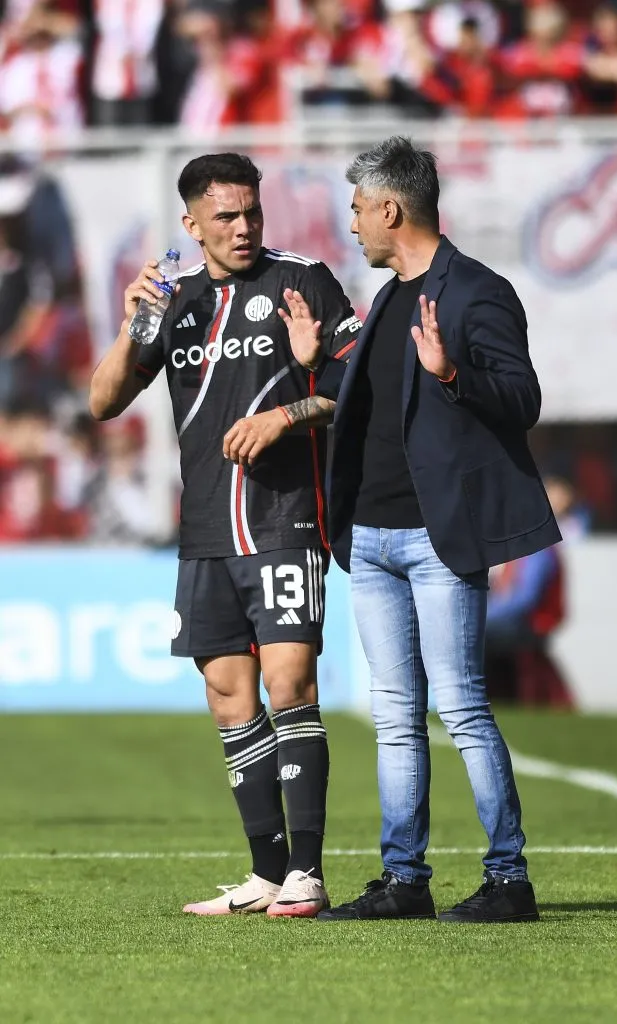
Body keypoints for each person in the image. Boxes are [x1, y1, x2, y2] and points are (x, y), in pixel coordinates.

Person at [280, 136, 561, 922]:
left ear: (390, 208)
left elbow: (521, 398)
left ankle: (509, 881)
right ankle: (403, 880)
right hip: (368, 538)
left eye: (358, 211)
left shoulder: (474, 291)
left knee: (462, 707)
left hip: (437, 539)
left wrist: (451, 373)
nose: (353, 226)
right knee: (395, 715)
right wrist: (317, 366)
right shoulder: (390, 297)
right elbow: (379, 402)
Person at [89, 151, 361, 918]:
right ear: (191, 225)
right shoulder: (171, 302)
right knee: (226, 694)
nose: (243, 229)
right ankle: (266, 874)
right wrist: (128, 326)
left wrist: (287, 411)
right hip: (206, 527)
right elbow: (103, 400)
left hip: (283, 519)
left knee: (288, 685)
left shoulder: (300, 279)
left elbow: (355, 380)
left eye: (251, 214)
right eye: (225, 218)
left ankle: (306, 873)